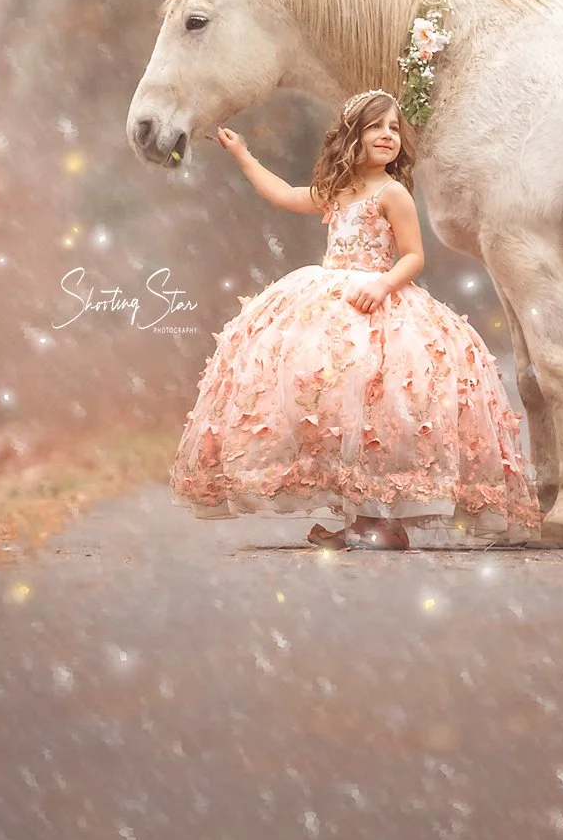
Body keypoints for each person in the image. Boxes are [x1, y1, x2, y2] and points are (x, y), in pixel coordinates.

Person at [169, 89, 541, 550]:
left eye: (394, 128)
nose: (387, 135)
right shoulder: (338, 191)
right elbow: (284, 194)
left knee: (380, 404)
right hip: (332, 300)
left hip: (375, 297)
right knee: (335, 407)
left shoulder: (393, 193)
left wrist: (382, 285)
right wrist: (243, 154)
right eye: (375, 127)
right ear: (351, 136)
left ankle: (380, 520)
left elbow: (413, 256)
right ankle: (365, 519)